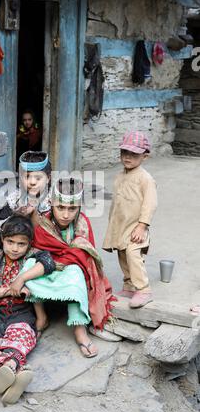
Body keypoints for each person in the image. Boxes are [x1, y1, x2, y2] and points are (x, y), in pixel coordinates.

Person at [9, 177, 117, 358]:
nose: (66, 215)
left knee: (76, 273)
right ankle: (41, 317)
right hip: (48, 266)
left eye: (72, 209)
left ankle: (79, 328)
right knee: (29, 264)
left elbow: (81, 255)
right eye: (61, 208)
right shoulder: (44, 222)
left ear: (79, 207)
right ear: (51, 203)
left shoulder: (82, 223)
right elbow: (37, 250)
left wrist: (53, 264)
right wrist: (47, 264)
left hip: (70, 268)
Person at [0, 214, 56, 405]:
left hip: (21, 311)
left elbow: (49, 263)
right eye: (10, 242)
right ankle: (12, 370)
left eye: (21, 244)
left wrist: (22, 278)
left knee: (23, 333)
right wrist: (8, 290)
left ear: (29, 244)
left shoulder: (32, 256)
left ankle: (6, 371)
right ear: (2, 239)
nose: (15, 248)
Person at [0, 151, 52, 337]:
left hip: (41, 250)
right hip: (16, 249)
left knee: (34, 266)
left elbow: (56, 232)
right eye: (27, 177)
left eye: (37, 177)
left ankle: (39, 314)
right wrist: (15, 218)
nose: (32, 182)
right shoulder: (15, 198)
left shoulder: (53, 200)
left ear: (48, 178)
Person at [102, 131, 158, 308]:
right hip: (120, 225)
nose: (128, 157)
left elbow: (150, 204)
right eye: (125, 153)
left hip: (136, 227)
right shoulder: (120, 176)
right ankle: (129, 285)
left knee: (134, 255)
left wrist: (142, 226)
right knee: (122, 254)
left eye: (134, 154)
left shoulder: (145, 179)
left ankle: (143, 289)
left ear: (145, 156)